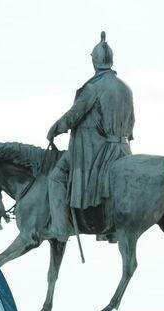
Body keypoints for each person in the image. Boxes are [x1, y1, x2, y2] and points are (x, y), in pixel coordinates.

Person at [45, 31, 135, 241]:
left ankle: (59, 229)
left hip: (96, 150)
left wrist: (55, 129)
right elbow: (132, 123)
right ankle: (110, 232)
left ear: (95, 62)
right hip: (122, 150)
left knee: (56, 177)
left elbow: (74, 115)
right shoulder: (125, 89)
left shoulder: (94, 87)